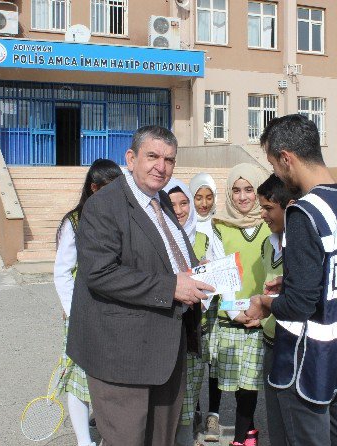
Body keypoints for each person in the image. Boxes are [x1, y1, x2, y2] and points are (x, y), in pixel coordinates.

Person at [66, 126, 214, 446]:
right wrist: (172, 286)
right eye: (152, 156)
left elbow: (174, 259)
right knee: (126, 440)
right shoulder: (104, 205)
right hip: (123, 355)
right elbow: (100, 273)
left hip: (167, 348)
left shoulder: (161, 199)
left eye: (169, 160)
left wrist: (211, 274)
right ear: (131, 158)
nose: (161, 166)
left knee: (161, 439)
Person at [246, 114, 337, 446]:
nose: (276, 174)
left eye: (274, 165)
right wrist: (294, 282)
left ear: (286, 158)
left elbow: (300, 304)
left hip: (305, 365)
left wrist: (265, 302)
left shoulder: (304, 212)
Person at [54, 159, 122, 446]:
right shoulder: (74, 222)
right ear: (94, 189)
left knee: (112, 379)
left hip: (115, 313)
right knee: (80, 380)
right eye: (110, 189)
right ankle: (85, 441)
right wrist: (73, 311)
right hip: (83, 313)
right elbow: (62, 271)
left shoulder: (123, 218)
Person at [208, 163, 271, 446]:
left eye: (250, 190)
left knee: (250, 385)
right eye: (236, 190)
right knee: (237, 384)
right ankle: (250, 433)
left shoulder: (272, 223)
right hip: (233, 316)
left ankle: (239, 439)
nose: (243, 197)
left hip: (264, 315)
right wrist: (238, 313)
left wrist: (262, 313)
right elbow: (222, 276)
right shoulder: (220, 227)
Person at [255, 174, 300, 446]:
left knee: (296, 422)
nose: (262, 215)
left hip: (294, 347)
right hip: (271, 341)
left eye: (268, 208)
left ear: (290, 206)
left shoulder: (304, 246)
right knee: (276, 422)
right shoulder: (268, 243)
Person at [164, 178, 206, 446]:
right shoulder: (157, 237)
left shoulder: (202, 237)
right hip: (164, 329)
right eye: (171, 203)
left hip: (192, 330)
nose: (179, 210)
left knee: (188, 396)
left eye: (184, 203)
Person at [189, 172, 223, 442]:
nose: (202, 203)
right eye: (198, 197)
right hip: (191, 305)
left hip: (211, 306)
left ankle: (214, 414)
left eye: (208, 197)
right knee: (193, 361)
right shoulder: (184, 225)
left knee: (212, 362)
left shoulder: (219, 225)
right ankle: (195, 410)